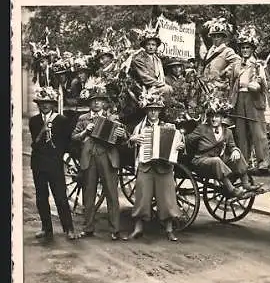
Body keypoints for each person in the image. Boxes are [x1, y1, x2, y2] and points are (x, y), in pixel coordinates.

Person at [71, 78, 128, 240]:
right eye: (94, 101)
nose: (96, 104)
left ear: (104, 104)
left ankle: (115, 229)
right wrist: (84, 133)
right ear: (90, 103)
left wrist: (122, 135)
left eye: (100, 101)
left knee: (111, 194)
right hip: (89, 157)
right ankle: (88, 228)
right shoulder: (83, 119)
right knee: (88, 193)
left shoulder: (113, 119)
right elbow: (74, 137)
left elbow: (124, 139)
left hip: (108, 157)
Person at [126, 88, 185, 241]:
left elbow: (179, 143)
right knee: (142, 197)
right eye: (150, 110)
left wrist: (180, 146)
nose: (153, 113)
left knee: (167, 198)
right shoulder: (139, 127)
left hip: (163, 167)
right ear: (146, 111)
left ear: (159, 112)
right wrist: (133, 140)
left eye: (156, 110)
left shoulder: (169, 127)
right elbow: (130, 143)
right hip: (145, 166)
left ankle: (169, 229)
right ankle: (138, 228)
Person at [29, 86, 78, 240]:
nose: (45, 105)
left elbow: (66, 142)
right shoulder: (34, 121)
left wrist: (62, 157)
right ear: (38, 104)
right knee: (41, 198)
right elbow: (35, 143)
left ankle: (69, 228)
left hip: (55, 163)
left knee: (61, 197)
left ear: (53, 104)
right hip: (38, 164)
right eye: (42, 102)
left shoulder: (62, 120)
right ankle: (46, 228)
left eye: (48, 102)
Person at [186, 106, 262, 198]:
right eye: (211, 116)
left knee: (238, 154)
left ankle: (246, 184)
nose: (214, 119)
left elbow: (232, 146)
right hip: (201, 160)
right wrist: (184, 140)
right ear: (209, 118)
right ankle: (232, 190)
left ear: (222, 118)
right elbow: (188, 140)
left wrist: (235, 150)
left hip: (219, 161)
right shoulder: (202, 128)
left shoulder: (228, 132)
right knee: (216, 161)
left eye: (217, 116)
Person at [229, 25, 270, 172]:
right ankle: (243, 161)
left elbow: (268, 85)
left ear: (252, 49)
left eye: (247, 47)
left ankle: (263, 161)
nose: (245, 50)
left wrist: (259, 83)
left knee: (257, 130)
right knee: (241, 132)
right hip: (239, 98)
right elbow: (232, 84)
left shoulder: (259, 65)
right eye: (242, 48)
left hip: (254, 99)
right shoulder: (236, 65)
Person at [129, 25, 172, 97]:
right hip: (144, 89)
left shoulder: (157, 60)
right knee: (167, 89)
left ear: (156, 47)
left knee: (170, 89)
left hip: (156, 87)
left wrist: (162, 83)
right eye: (148, 44)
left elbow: (161, 76)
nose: (151, 47)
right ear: (144, 46)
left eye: (153, 45)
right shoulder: (139, 59)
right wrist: (161, 84)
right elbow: (145, 78)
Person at [201, 17, 240, 83]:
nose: (216, 39)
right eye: (214, 36)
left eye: (218, 36)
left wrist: (226, 71)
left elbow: (238, 62)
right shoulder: (209, 51)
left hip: (219, 87)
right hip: (207, 86)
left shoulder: (227, 51)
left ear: (223, 38)